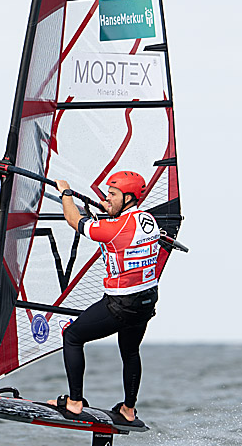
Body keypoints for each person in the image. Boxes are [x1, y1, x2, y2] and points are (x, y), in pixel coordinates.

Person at [48, 171, 160, 426]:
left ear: (129, 197)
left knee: (72, 336)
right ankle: (128, 409)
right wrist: (109, 209)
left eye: (112, 195)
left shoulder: (114, 228)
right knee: (130, 351)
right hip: (146, 301)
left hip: (121, 304)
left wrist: (65, 192)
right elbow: (120, 224)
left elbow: (73, 219)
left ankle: (75, 402)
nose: (107, 198)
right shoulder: (148, 221)